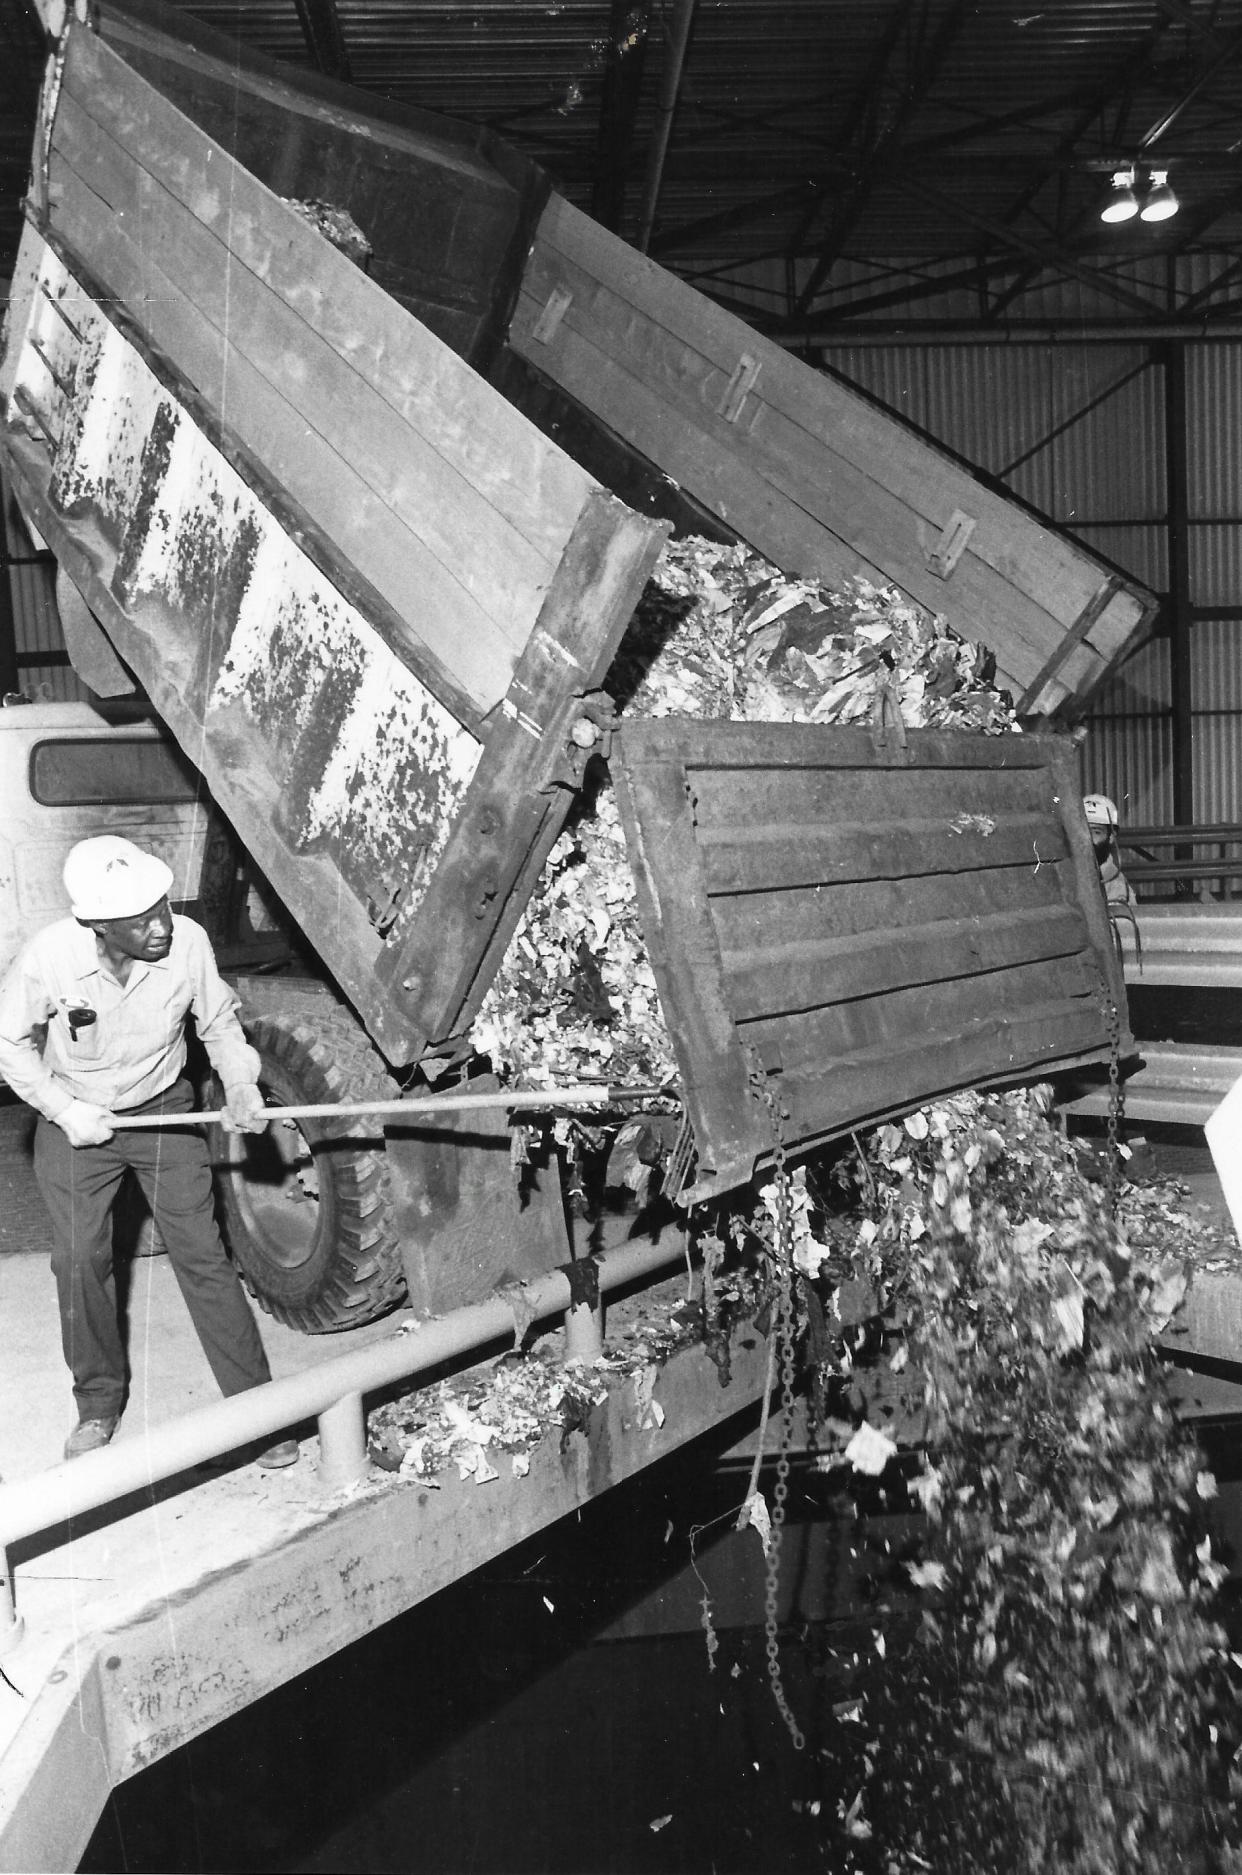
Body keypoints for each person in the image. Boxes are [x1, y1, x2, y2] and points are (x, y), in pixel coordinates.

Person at [0, 835, 298, 1466]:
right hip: (79, 1119)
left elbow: (217, 1022)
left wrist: (241, 1082)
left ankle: (256, 1411)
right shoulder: (48, 959)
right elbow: (9, 1047)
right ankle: (98, 1404)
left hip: (164, 1110)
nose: (162, 925)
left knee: (202, 1254)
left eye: (162, 906)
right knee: (79, 1259)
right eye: (141, 920)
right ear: (98, 928)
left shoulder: (186, 941)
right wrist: (62, 1110)